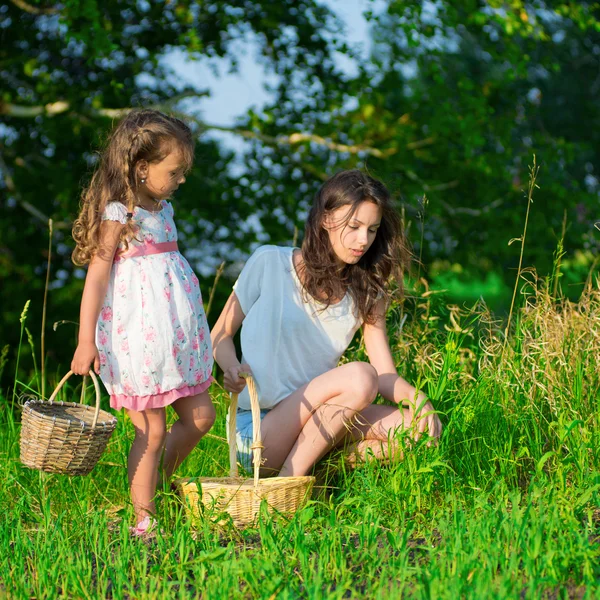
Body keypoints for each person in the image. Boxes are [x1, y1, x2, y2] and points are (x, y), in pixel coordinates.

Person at [211, 170, 442, 477]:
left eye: (372, 230)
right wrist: (231, 368)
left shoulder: (367, 292)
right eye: (354, 226)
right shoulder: (269, 263)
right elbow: (221, 334)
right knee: (360, 376)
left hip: (323, 422)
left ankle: (320, 474)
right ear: (324, 219)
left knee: (422, 431)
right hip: (259, 430)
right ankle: (291, 478)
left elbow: (385, 374)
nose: (364, 240)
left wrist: (419, 400)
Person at [70, 109, 215, 535]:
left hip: (175, 340)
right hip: (138, 341)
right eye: (175, 171)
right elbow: (97, 278)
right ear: (141, 168)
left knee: (201, 416)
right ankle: (144, 518)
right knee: (151, 431)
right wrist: (85, 341)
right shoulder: (119, 213)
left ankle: (156, 484)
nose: (181, 180)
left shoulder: (163, 208)